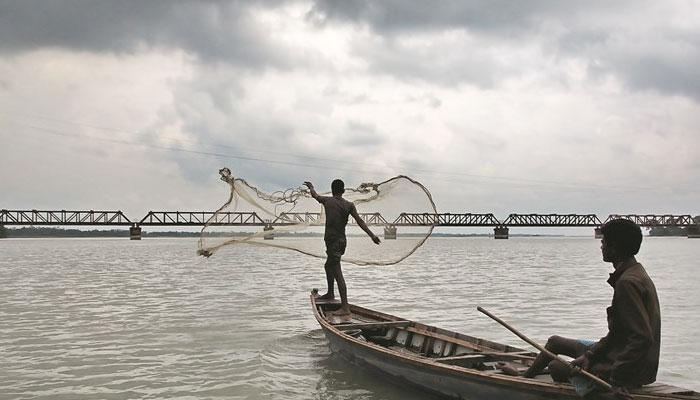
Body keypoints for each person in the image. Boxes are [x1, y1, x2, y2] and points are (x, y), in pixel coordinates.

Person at [501, 218, 660, 397]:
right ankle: (524, 377)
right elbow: (618, 333)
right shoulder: (636, 272)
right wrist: (590, 355)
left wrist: (618, 379)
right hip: (619, 351)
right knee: (554, 342)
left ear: (613, 247)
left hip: (629, 368)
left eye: (603, 242)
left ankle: (598, 392)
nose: (601, 247)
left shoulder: (627, 283)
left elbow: (642, 339)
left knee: (556, 367)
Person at [304, 179, 381, 316]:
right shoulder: (349, 205)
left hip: (333, 243)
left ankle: (345, 307)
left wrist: (311, 187)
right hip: (341, 242)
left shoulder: (327, 201)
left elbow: (315, 195)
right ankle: (330, 293)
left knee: (337, 272)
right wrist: (372, 236)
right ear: (343, 191)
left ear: (332, 190)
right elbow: (360, 221)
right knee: (328, 266)